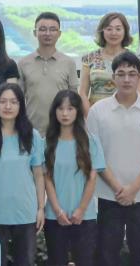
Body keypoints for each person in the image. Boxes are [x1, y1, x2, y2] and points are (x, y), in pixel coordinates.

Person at [87, 51, 140, 266]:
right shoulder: (97, 111)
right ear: (113, 77)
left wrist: (133, 189)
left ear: (139, 77)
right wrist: (118, 189)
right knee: (107, 254)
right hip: (108, 195)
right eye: (121, 74)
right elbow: (95, 155)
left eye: (132, 74)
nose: (126, 79)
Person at [0, 83, 45, 266]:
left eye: (13, 102)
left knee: (25, 261)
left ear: (21, 105)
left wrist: (40, 208)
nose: (8, 106)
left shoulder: (32, 136)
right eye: (3, 102)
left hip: (25, 211)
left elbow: (39, 175)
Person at [43, 90, 104, 266]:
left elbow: (92, 178)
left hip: (85, 216)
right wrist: (57, 211)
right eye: (60, 109)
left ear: (78, 111)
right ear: (54, 111)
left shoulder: (91, 141)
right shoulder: (46, 142)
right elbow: (47, 179)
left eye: (70, 109)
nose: (65, 113)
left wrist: (81, 209)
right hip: (54, 216)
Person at [17, 12, 78, 134]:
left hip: (61, 131)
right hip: (31, 131)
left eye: (53, 29)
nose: (47, 33)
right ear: (35, 33)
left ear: (59, 34)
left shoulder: (69, 63)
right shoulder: (23, 63)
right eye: (43, 29)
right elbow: (18, 99)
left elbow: (74, 99)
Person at [79, 12, 140, 106]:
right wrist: (90, 114)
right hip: (95, 112)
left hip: (126, 112)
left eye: (118, 29)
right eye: (109, 29)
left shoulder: (136, 59)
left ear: (125, 31)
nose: (113, 33)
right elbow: (82, 94)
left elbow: (139, 93)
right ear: (102, 31)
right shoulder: (89, 58)